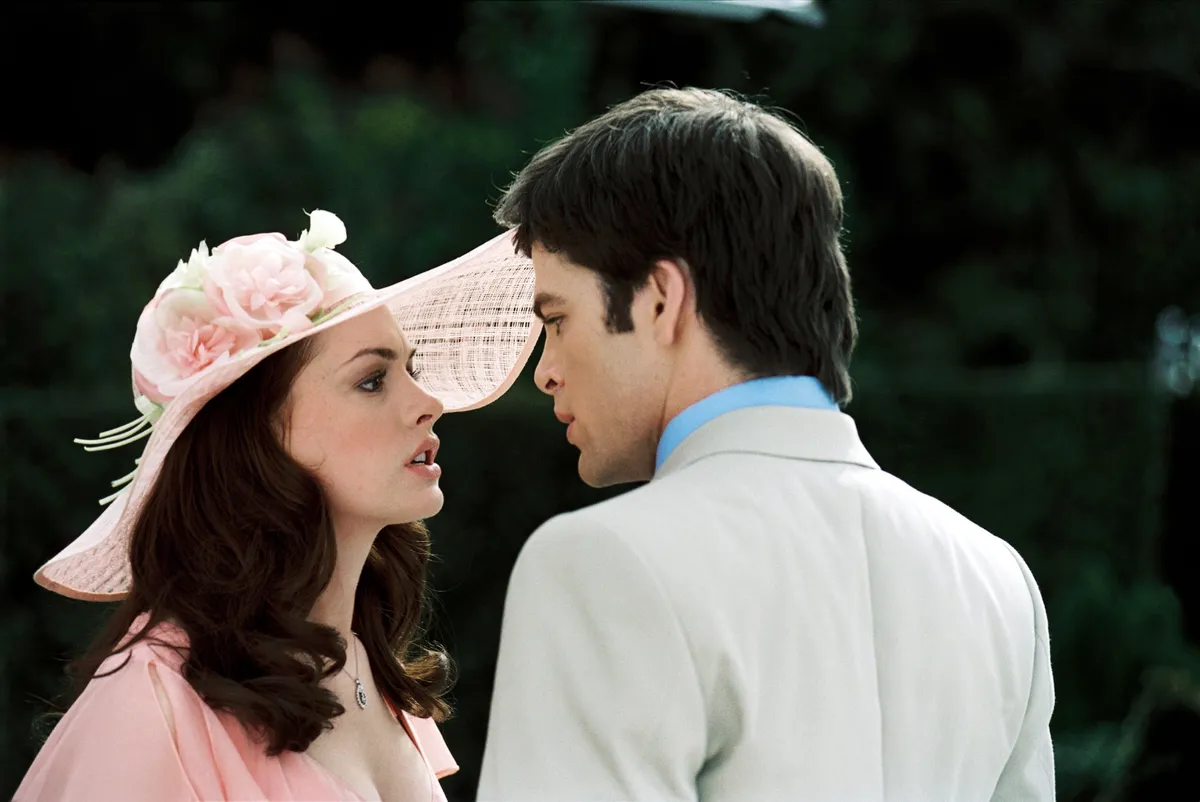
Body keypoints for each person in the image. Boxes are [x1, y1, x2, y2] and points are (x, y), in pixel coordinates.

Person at [477, 87, 1055, 802]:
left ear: (661, 298)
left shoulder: (601, 561)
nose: (546, 371)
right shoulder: (999, 579)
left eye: (558, 319)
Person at [16, 210, 541, 802]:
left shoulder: (369, 665)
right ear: (258, 439)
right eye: (372, 380)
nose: (429, 403)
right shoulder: (156, 700)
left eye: (412, 369)